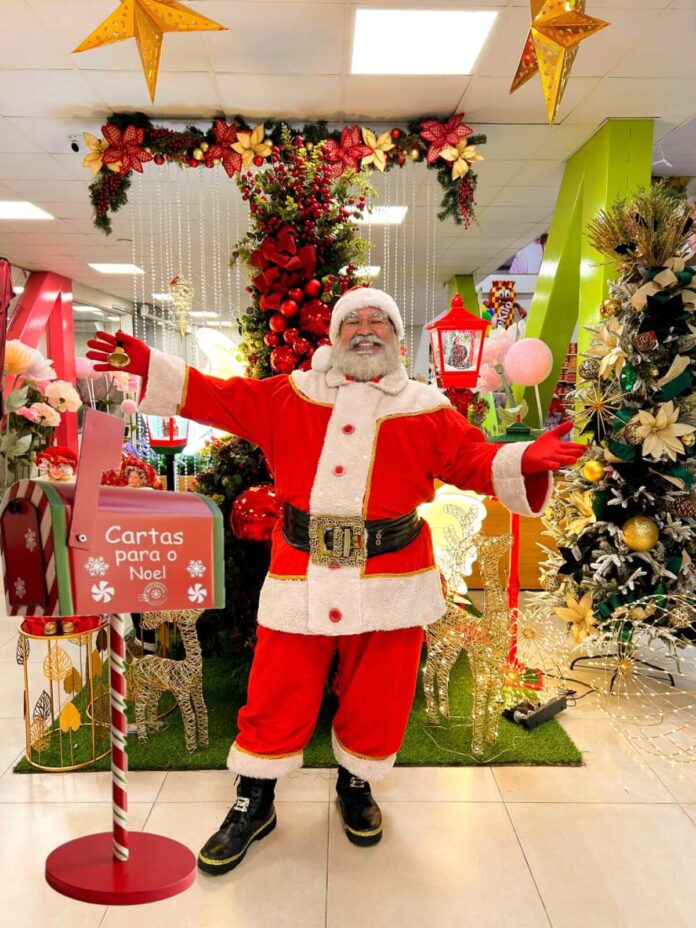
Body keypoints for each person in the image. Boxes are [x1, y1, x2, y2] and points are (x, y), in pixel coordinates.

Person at [87, 287, 583, 875]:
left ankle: (356, 784)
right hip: (302, 571)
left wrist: (521, 459)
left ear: (399, 340)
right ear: (335, 335)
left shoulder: (425, 406)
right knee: (277, 688)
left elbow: (472, 459)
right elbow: (219, 397)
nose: (366, 329)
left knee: (380, 692)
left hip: (393, 576)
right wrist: (151, 368)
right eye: (353, 321)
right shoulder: (289, 394)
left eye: (380, 321)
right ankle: (256, 799)